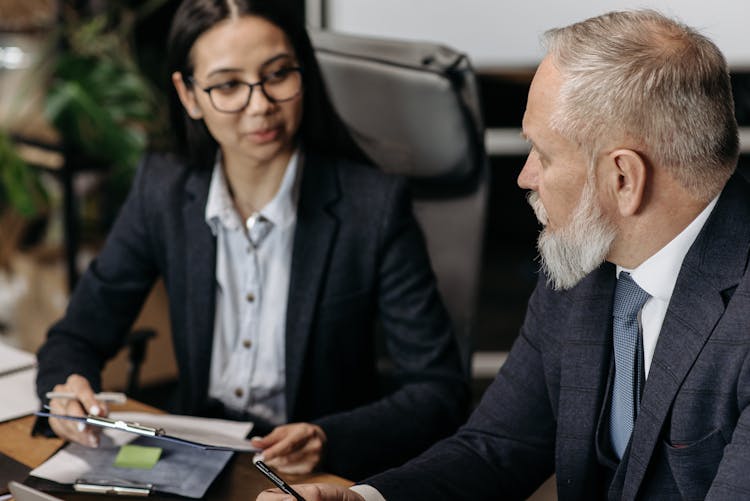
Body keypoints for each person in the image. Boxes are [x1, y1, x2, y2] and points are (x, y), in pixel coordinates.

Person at [258, 9, 750, 500]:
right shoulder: (585, 256)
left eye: (544, 154)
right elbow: (496, 446)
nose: (525, 176)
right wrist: (363, 500)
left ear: (623, 178)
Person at [34, 0, 468, 480]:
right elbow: (77, 335)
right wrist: (66, 388)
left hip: (313, 472)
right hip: (198, 455)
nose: (260, 105)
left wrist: (330, 438)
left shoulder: (373, 207)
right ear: (189, 95)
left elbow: (438, 390)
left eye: (278, 75)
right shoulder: (163, 190)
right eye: (227, 85)